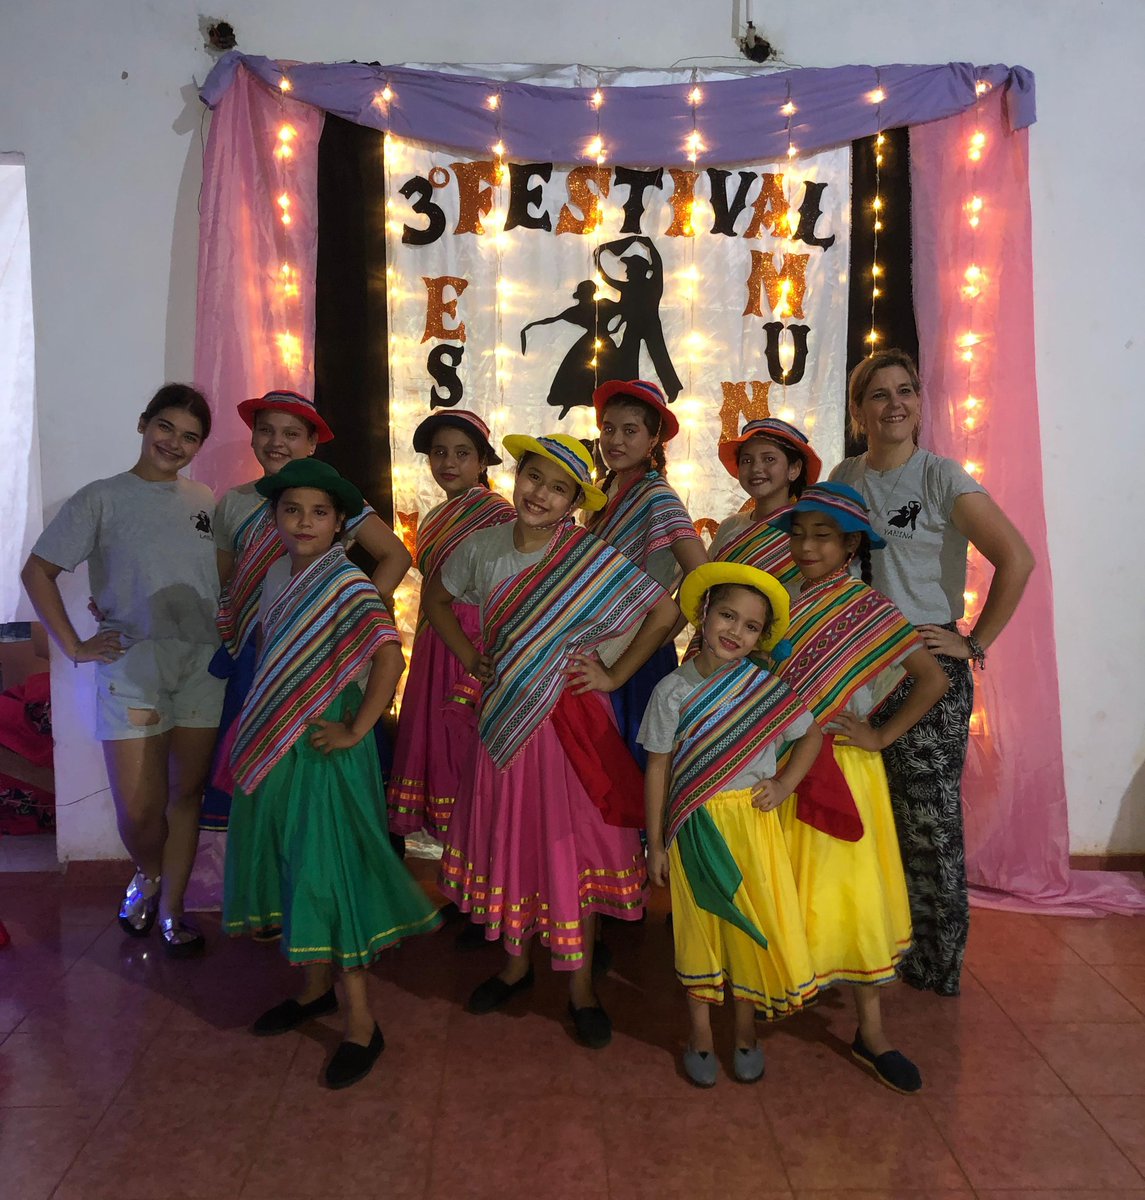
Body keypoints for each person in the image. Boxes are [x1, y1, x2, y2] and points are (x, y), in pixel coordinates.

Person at [423, 434, 679, 1048]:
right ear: (515, 477)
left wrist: (615, 673)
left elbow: (664, 613)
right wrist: (470, 657)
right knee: (514, 843)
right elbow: (436, 598)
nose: (540, 494)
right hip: (504, 726)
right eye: (533, 477)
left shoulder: (587, 555)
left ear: (572, 502)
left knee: (573, 852)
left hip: (570, 731)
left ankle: (581, 988)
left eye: (558, 488)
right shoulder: (481, 548)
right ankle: (514, 968)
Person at [222, 458, 440, 1090]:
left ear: (341, 524)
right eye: (293, 511)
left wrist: (358, 729)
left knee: (330, 872)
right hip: (280, 746)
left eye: (319, 512)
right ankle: (313, 991)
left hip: (325, 750)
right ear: (276, 518)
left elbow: (387, 659)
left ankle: (362, 1026)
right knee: (296, 866)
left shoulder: (346, 583)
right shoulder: (274, 579)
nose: (305, 522)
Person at [831, 350, 1034, 995]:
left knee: (930, 827)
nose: (895, 404)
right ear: (859, 412)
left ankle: (937, 964)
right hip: (858, 675)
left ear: (920, 402)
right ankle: (876, 945)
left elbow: (1017, 559)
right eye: (879, 395)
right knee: (872, 818)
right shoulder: (844, 477)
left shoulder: (942, 477)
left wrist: (972, 642)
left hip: (928, 677)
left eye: (906, 391)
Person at [21, 384, 223, 955]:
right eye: (166, 428)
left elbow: (214, 579)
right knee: (139, 807)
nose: (175, 443)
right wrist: (76, 645)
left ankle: (173, 910)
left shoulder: (206, 500)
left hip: (202, 667)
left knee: (187, 794)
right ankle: (150, 874)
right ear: (143, 424)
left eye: (190, 437)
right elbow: (38, 571)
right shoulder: (100, 498)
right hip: (132, 667)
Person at [770, 483, 949, 1093]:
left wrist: (880, 735)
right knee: (782, 880)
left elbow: (930, 679)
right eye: (798, 533)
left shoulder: (870, 611)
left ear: (850, 545)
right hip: (778, 763)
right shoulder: (776, 599)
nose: (806, 546)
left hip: (845, 769)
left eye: (822, 536)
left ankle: (871, 1032)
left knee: (851, 895)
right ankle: (765, 993)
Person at [639, 563, 823, 1087]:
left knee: (747, 929)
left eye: (749, 627)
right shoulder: (671, 690)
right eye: (726, 615)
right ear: (703, 613)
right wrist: (655, 843)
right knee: (698, 930)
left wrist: (785, 784)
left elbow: (810, 735)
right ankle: (700, 1034)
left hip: (753, 825)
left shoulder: (764, 689)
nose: (734, 633)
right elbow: (658, 767)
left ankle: (745, 1032)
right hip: (693, 826)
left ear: (761, 637)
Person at [205, 389, 411, 833]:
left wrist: (354, 615)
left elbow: (396, 555)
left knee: (323, 781)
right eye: (266, 430)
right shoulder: (235, 503)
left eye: (292, 434)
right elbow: (227, 581)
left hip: (323, 663)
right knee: (267, 773)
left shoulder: (329, 497)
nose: (277, 442)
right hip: (259, 653)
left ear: (312, 443)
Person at [388, 409, 513, 843]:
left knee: (463, 745)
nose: (449, 463)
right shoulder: (433, 517)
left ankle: (483, 870)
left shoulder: (499, 515)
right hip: (433, 638)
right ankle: (460, 872)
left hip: (470, 641)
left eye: (462, 454)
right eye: (439, 453)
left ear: (482, 463)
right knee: (438, 745)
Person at [587, 379, 707, 769]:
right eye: (608, 429)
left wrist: (662, 636)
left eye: (630, 430)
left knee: (629, 763)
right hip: (600, 646)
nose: (615, 440)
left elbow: (702, 576)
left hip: (634, 657)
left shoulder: (657, 496)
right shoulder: (603, 493)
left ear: (654, 439)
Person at [709, 417, 821, 593]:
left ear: (794, 469)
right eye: (747, 460)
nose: (756, 468)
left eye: (769, 459)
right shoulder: (729, 526)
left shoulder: (811, 530)